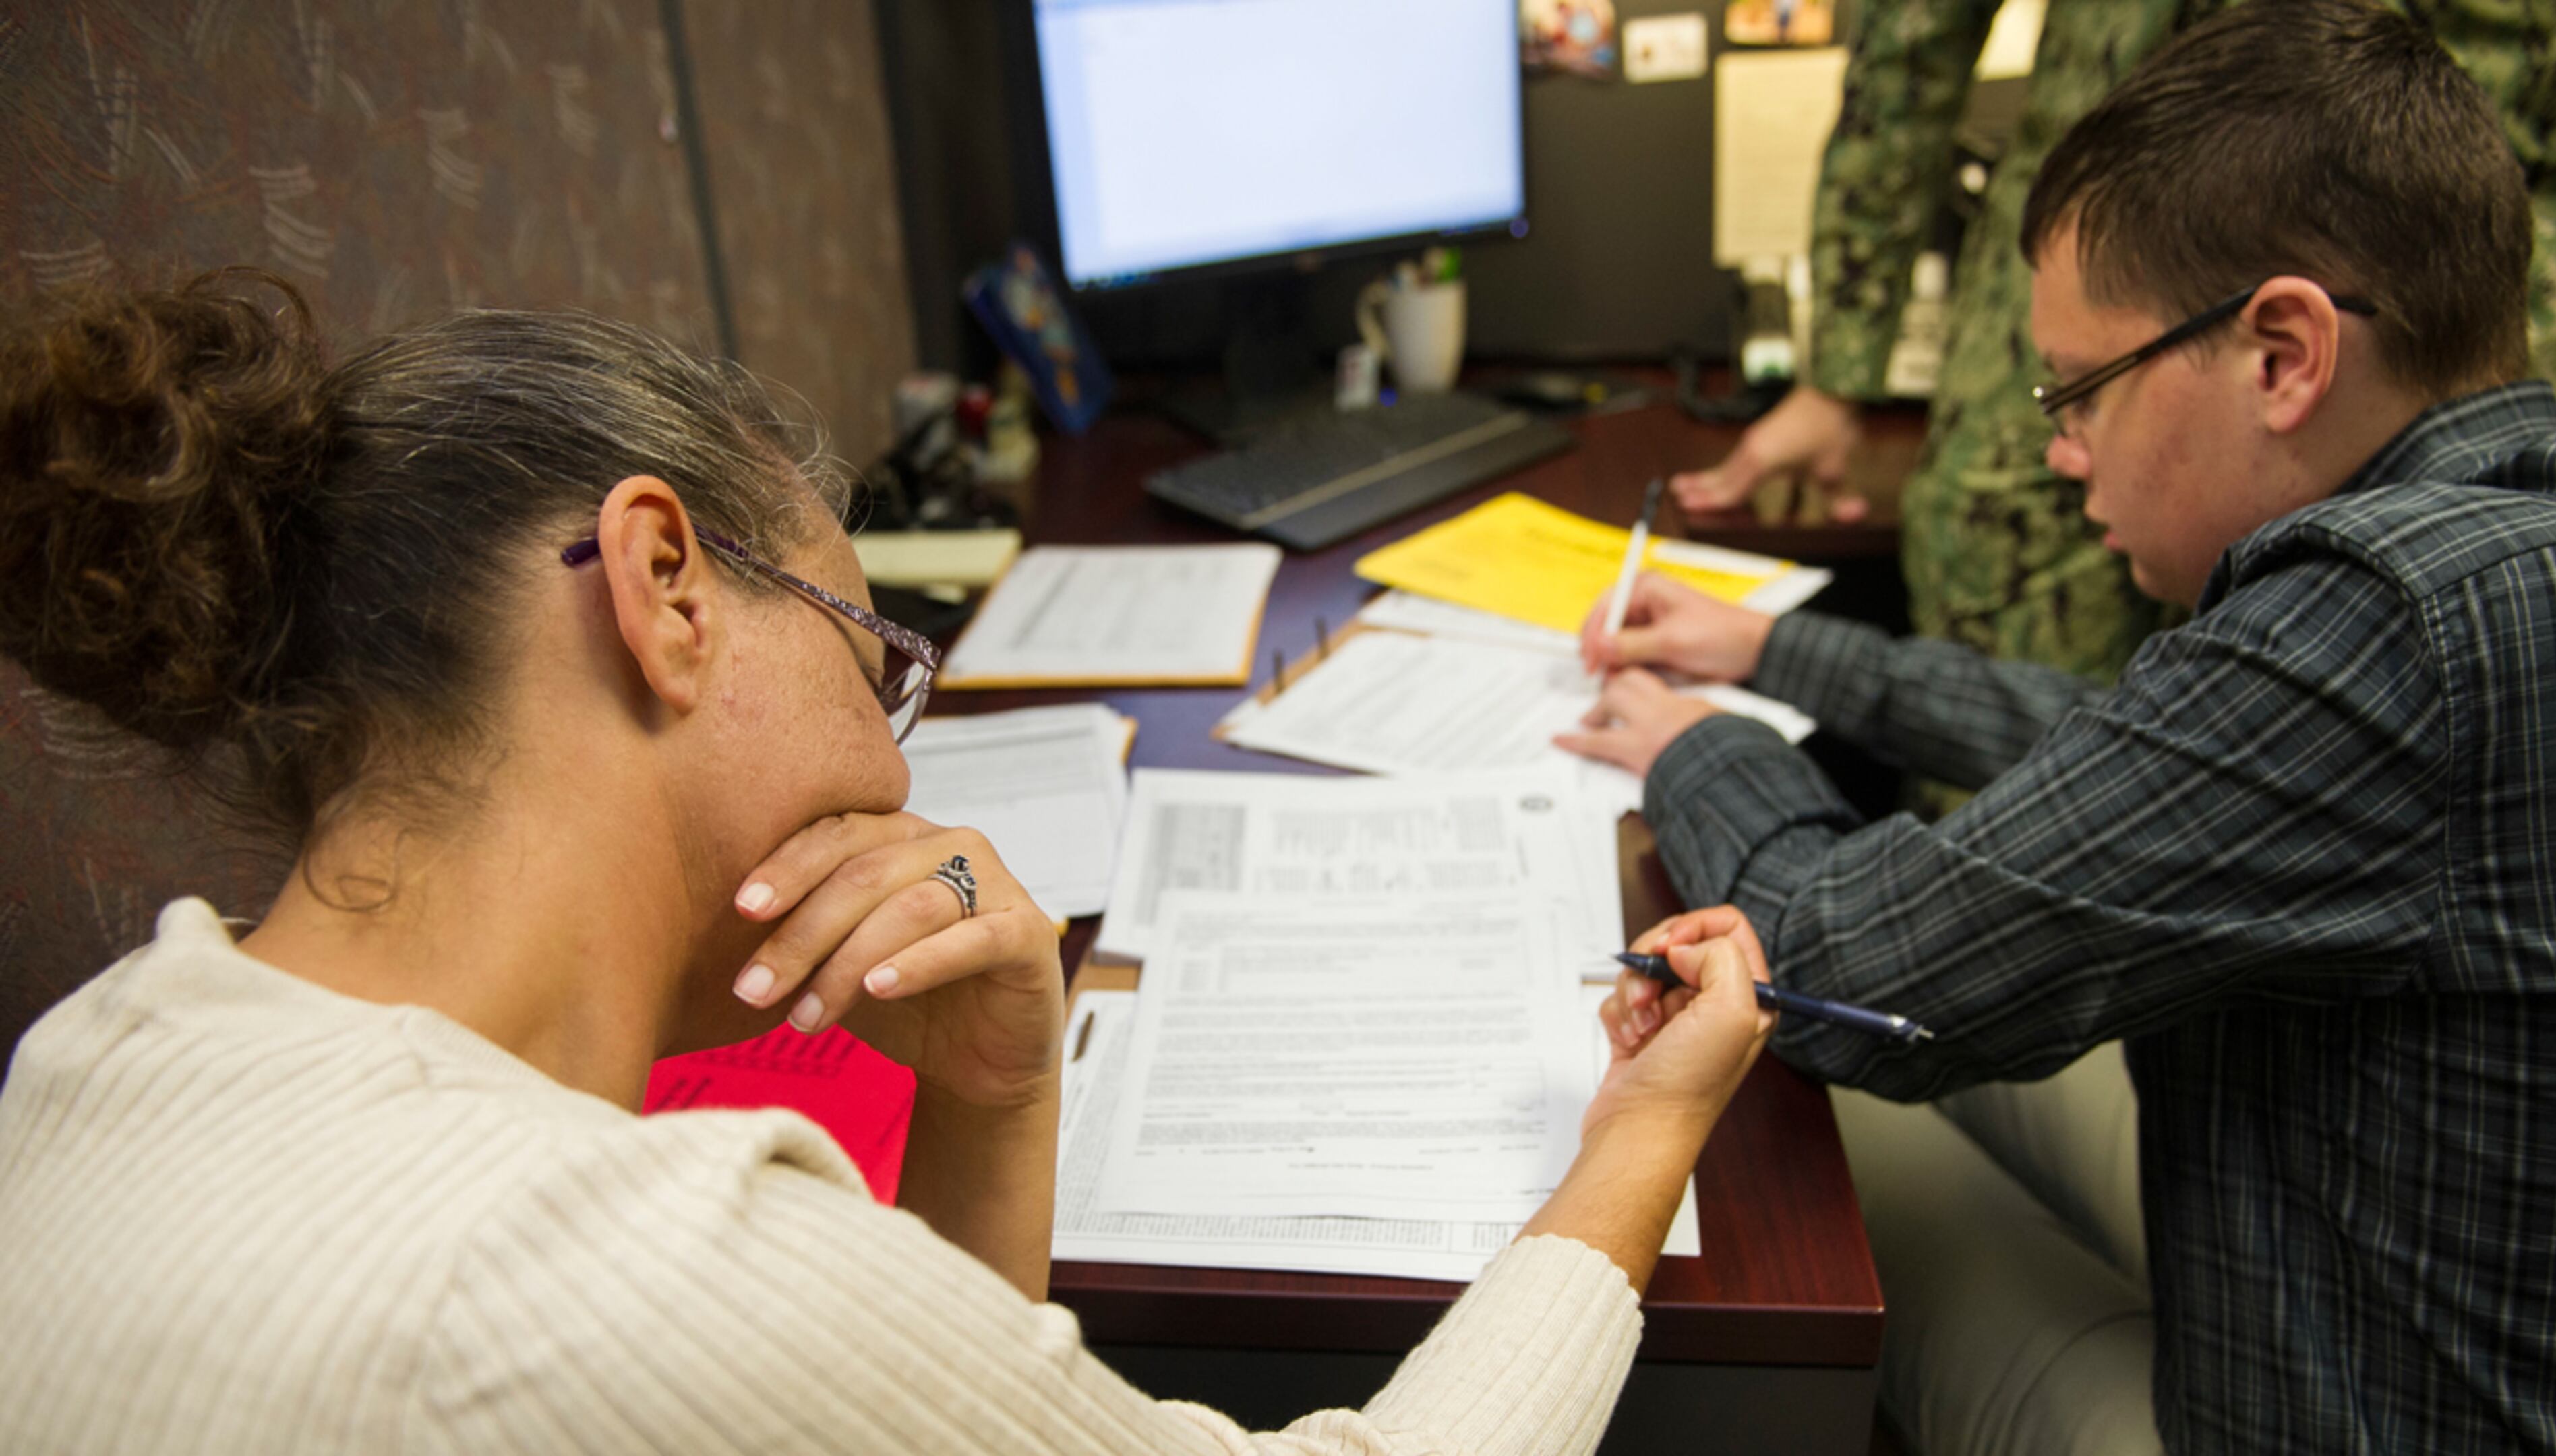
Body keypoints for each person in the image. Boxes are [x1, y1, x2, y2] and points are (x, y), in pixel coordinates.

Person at [0, 272, 1777, 1453]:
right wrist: (1643, 1134)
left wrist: (997, 1094)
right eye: (872, 656)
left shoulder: (103, 1052)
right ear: (667, 591)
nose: (887, 757)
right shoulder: (603, 1271)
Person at [1559, 1, 2556, 1451]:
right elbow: (2131, 738)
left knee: (1806, 1138)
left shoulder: (2376, 628)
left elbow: (1843, 963)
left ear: (2284, 352)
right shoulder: (2515, 538)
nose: (2056, 451)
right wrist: (1776, 648)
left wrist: (1690, 746)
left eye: (2081, 391)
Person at [1677, 0, 2556, 684]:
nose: (2071, 454)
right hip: (2098, 242)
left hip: (2458, 276)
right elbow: (1912, 47)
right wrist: (1841, 367)